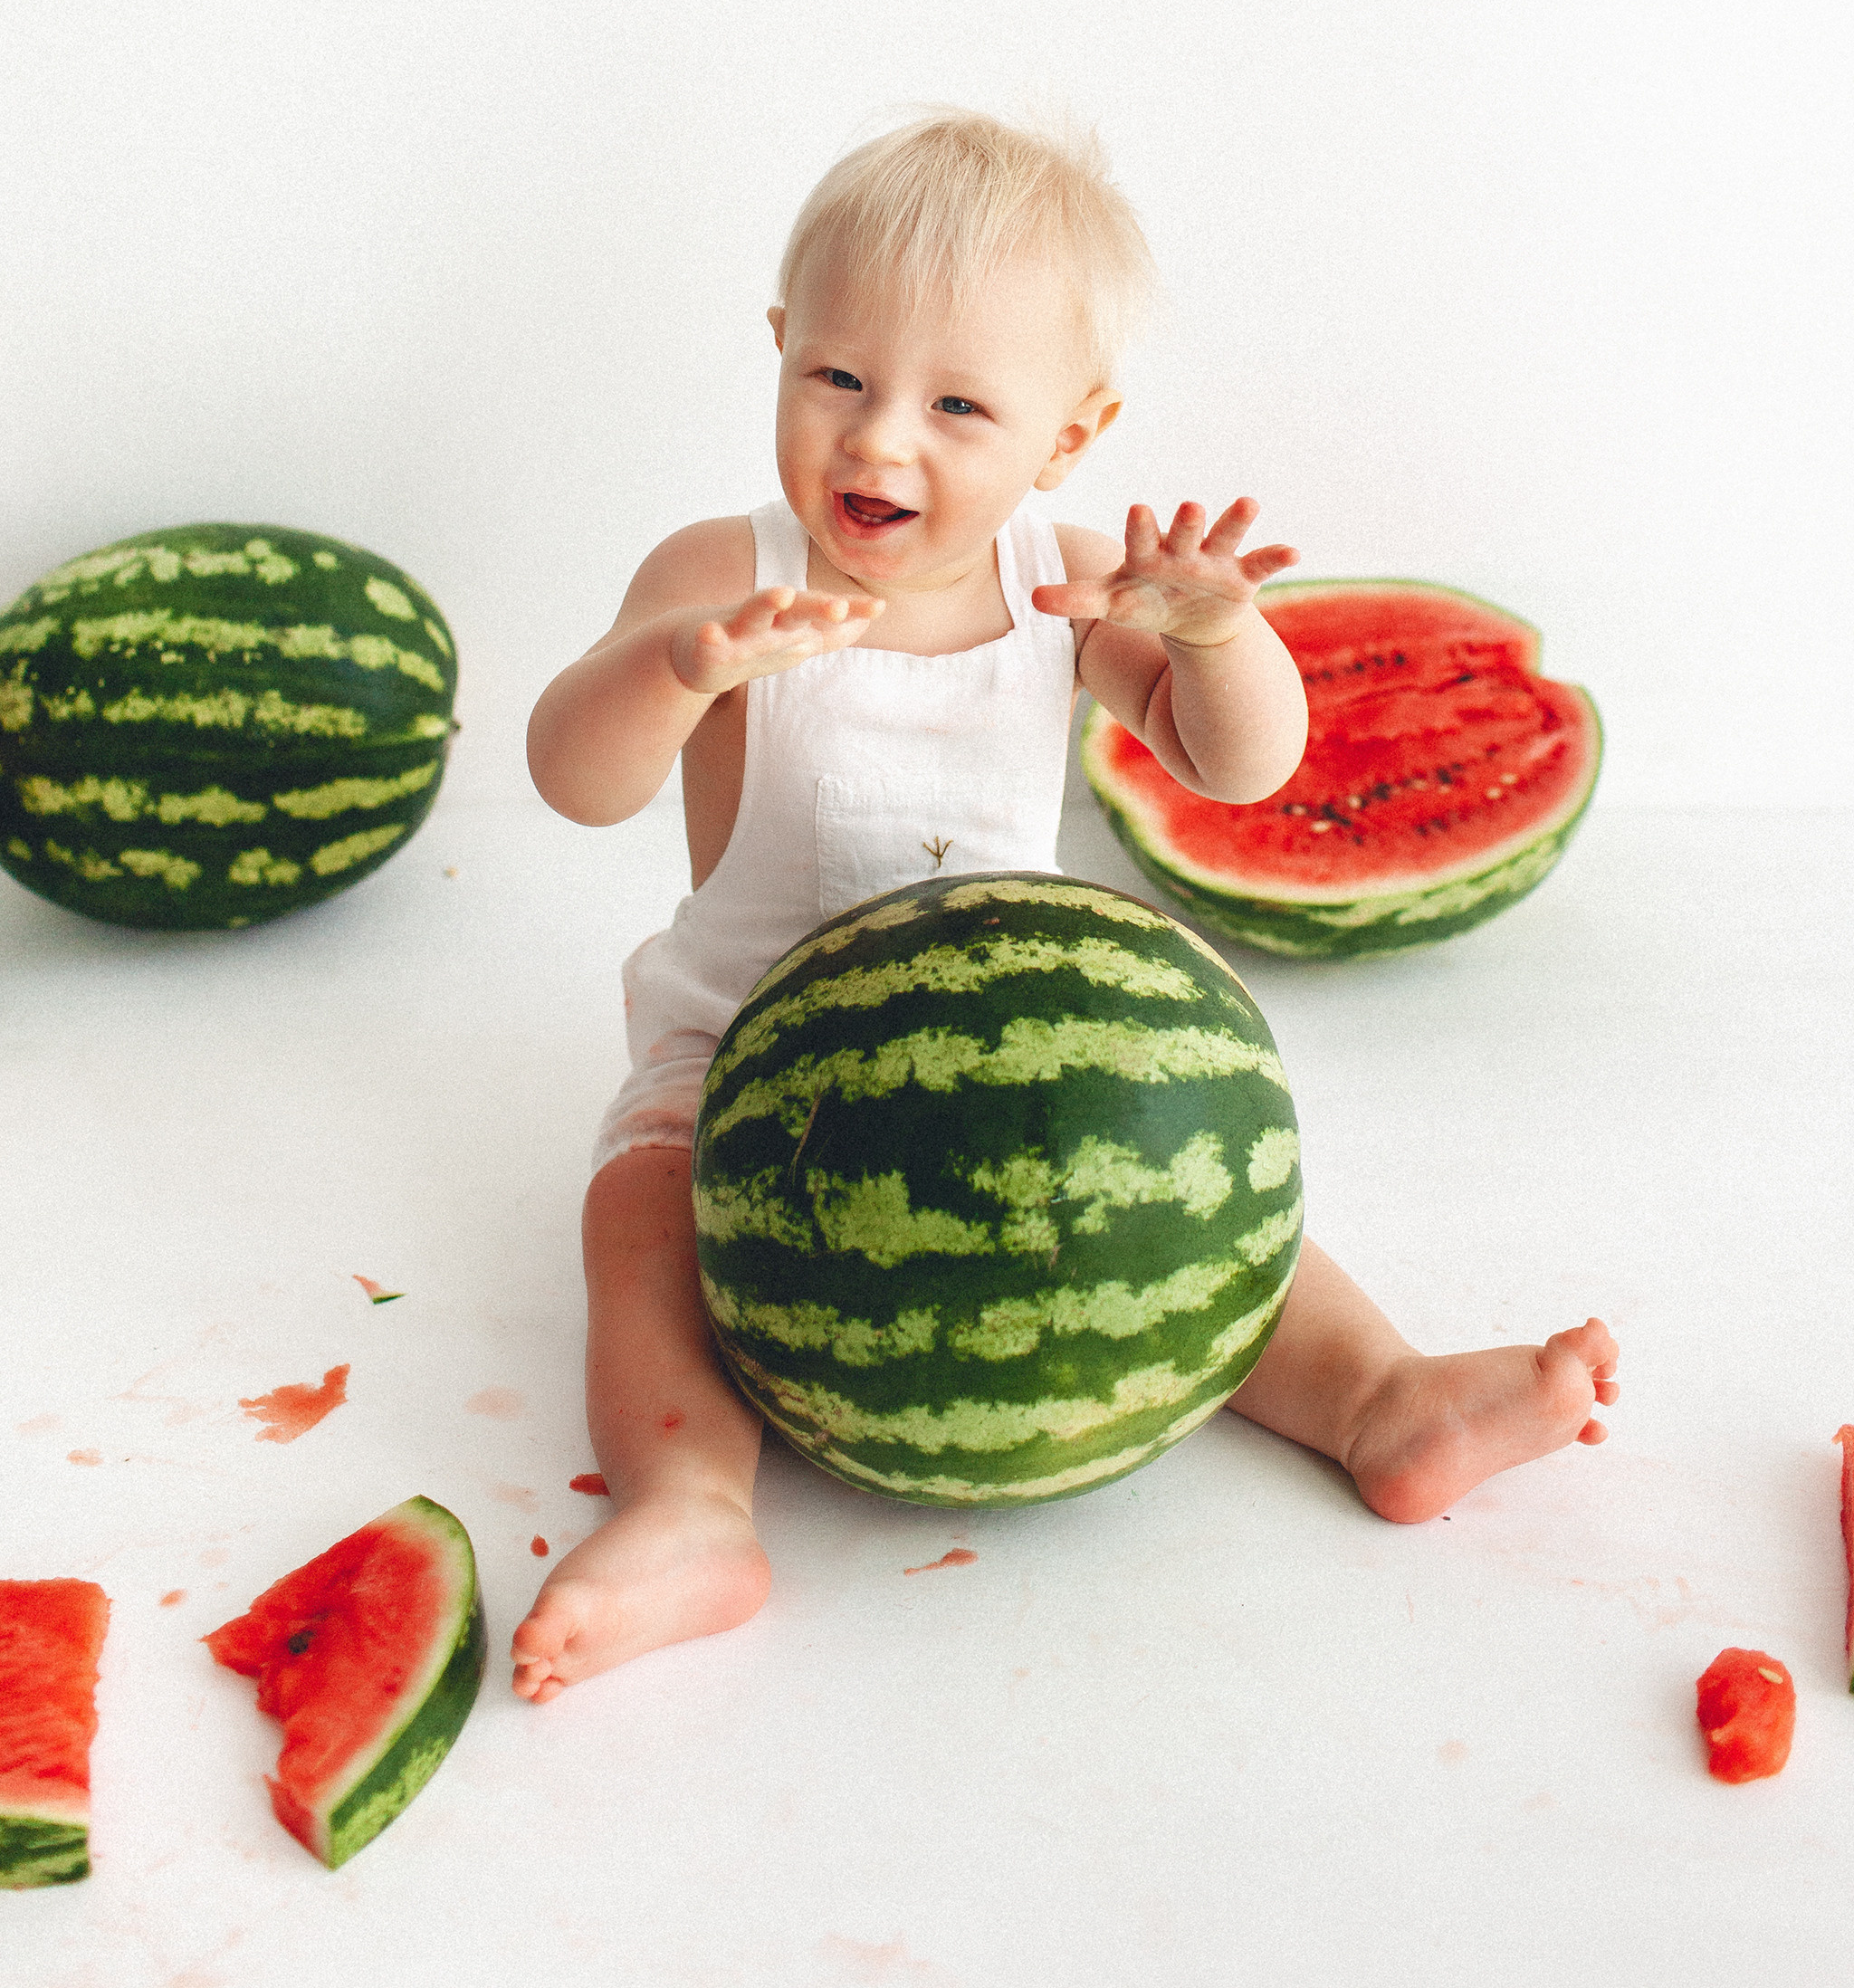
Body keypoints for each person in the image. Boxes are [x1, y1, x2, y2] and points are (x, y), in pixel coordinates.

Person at [511, 110, 1618, 1702]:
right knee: (640, 1227)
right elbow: (574, 779)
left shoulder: (1061, 582)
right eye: (837, 378)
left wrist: (1219, 632)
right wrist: (676, 669)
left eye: (958, 404)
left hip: (1029, 1057)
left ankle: (1383, 1400)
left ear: (1070, 434)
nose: (880, 441)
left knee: (1203, 1211)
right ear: (777, 349)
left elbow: (1240, 771)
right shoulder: (720, 570)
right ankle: (690, 1504)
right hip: (742, 1055)